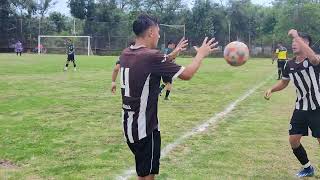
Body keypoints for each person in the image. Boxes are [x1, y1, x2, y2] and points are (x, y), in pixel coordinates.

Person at [119, 14, 218, 180]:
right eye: (158, 31)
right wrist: (201, 54)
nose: (159, 35)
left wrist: (172, 54)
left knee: (144, 173)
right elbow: (187, 74)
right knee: (147, 177)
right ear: (151, 32)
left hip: (129, 126)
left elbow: (151, 65)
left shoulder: (126, 53)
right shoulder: (151, 56)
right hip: (145, 129)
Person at [264, 29, 320, 177]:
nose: (293, 44)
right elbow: (284, 82)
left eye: (297, 41)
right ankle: (308, 168)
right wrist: (272, 89)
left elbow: (314, 59)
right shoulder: (289, 65)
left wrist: (296, 35)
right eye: (293, 42)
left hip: (318, 107)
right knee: (293, 140)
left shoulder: (314, 59)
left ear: (306, 43)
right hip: (301, 107)